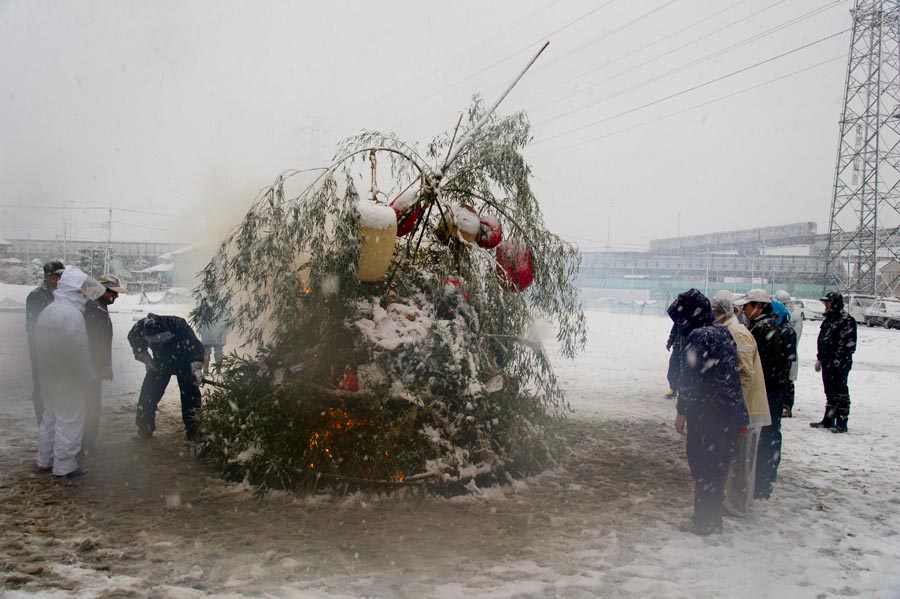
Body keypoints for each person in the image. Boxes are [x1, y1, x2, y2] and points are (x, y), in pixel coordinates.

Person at [668, 289, 749, 535]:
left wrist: (682, 412)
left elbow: (690, 379)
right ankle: (712, 518)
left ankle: (704, 522)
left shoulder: (699, 337)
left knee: (704, 466)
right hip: (728, 414)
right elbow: (733, 376)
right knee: (718, 467)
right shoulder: (723, 333)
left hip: (707, 415)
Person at [34, 268, 105, 478]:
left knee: (50, 418)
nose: (85, 293)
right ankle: (64, 466)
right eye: (82, 289)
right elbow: (78, 350)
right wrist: (87, 376)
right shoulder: (72, 315)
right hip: (68, 378)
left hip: (48, 374)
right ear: (74, 290)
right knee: (70, 419)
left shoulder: (49, 310)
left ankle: (44, 459)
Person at [710, 291, 771, 517]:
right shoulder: (730, 331)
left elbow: (745, 373)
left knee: (743, 460)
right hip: (739, 407)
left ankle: (739, 504)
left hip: (747, 407)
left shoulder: (739, 334)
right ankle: (733, 500)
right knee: (735, 457)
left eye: (716, 311)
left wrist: (736, 405)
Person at [734, 289, 790, 500]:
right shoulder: (765, 327)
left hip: (768, 391)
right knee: (769, 435)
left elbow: (762, 366)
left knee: (765, 437)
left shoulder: (762, 329)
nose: (744, 310)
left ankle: (761, 483)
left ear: (758, 307)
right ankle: (763, 480)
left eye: (747, 306)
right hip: (772, 390)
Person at [128, 313, 205, 440]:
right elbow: (136, 344)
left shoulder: (179, 325)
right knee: (149, 393)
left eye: (162, 338)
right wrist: (147, 360)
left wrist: (195, 368)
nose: (159, 341)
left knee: (190, 396)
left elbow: (195, 347)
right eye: (155, 340)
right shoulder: (139, 328)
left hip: (184, 361)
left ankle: (194, 430)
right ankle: (144, 428)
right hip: (160, 363)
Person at [82, 274, 127, 455]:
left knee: (89, 405)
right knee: (90, 406)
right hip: (91, 368)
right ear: (102, 290)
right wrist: (104, 365)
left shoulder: (97, 308)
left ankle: (86, 443)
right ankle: (86, 444)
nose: (116, 296)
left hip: (89, 367)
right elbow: (96, 342)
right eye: (113, 292)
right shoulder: (95, 310)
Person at [811, 291, 857, 433]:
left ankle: (841, 421)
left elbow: (849, 344)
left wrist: (838, 358)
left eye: (828, 302)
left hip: (840, 361)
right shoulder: (829, 319)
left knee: (840, 390)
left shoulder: (846, 320)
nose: (825, 305)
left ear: (835, 303)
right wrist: (820, 357)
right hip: (827, 360)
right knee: (829, 389)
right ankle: (828, 419)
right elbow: (823, 339)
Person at [25, 260, 65, 424]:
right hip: (41, 349)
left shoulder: (62, 294)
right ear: (46, 276)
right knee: (42, 386)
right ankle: (42, 420)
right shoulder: (36, 296)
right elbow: (34, 326)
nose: (58, 280)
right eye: (56, 276)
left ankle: (56, 419)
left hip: (60, 349)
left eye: (61, 276)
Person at [774, 290, 803, 417]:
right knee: (783, 382)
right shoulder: (779, 315)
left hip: (787, 354)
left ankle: (787, 406)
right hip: (782, 354)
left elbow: (796, 336)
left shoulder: (795, 316)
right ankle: (783, 405)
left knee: (788, 381)